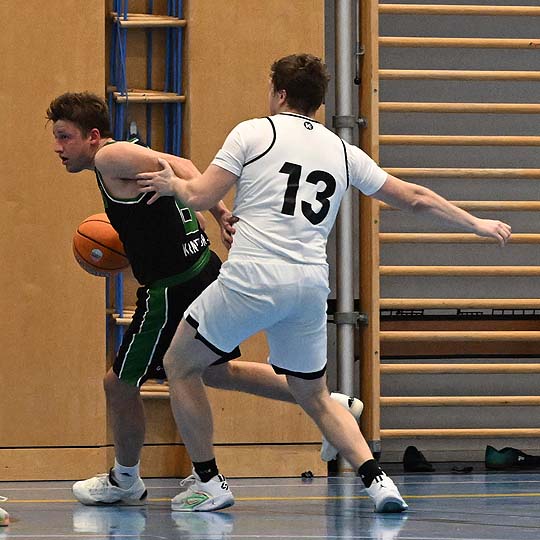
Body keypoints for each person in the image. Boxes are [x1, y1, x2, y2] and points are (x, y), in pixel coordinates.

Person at [135, 53, 512, 514]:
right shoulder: (342, 151)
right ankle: (379, 483)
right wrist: (475, 223)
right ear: (318, 102)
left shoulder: (254, 132)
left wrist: (171, 183)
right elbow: (413, 197)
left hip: (253, 275)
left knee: (179, 364)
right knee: (314, 395)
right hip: (310, 285)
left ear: (279, 93)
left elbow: (200, 195)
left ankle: (209, 481)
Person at [46, 92, 362, 506]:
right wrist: (210, 216)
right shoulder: (121, 157)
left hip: (171, 287)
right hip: (200, 268)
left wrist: (220, 212)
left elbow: (185, 169)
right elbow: (182, 169)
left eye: (65, 136)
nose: (58, 147)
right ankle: (332, 404)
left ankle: (127, 479)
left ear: (92, 136)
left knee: (118, 385)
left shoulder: (110, 157)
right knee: (214, 371)